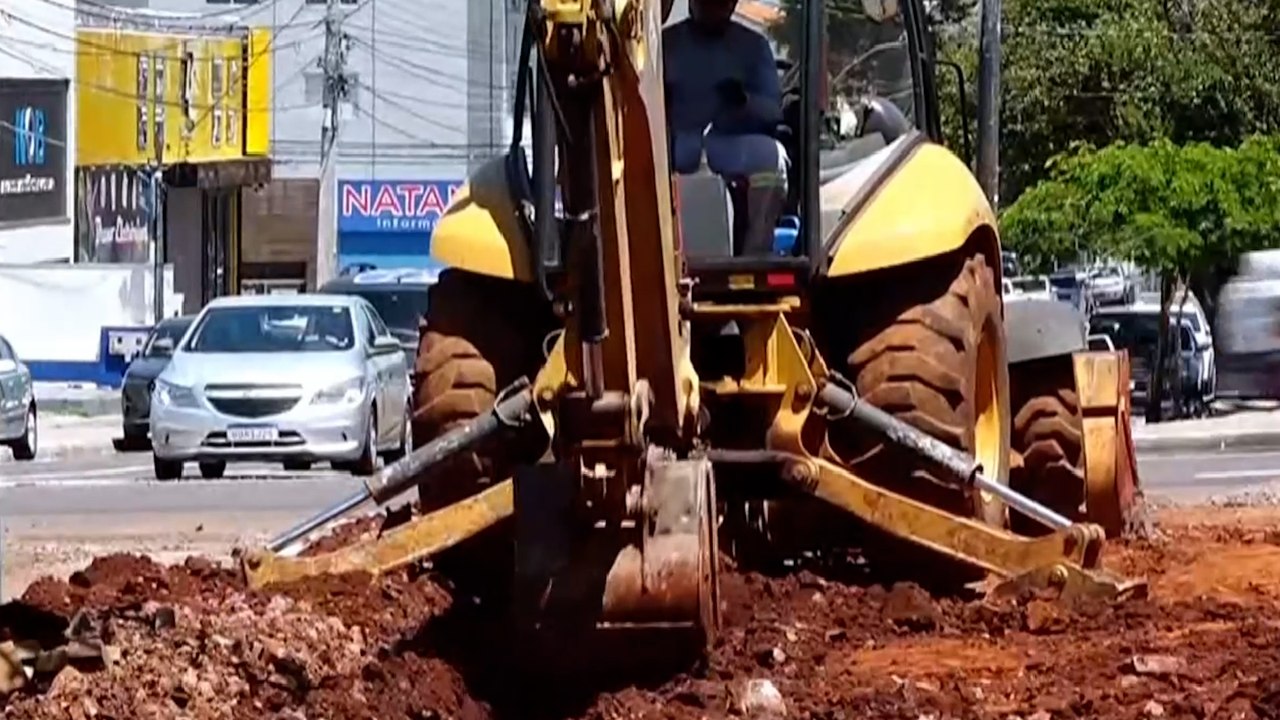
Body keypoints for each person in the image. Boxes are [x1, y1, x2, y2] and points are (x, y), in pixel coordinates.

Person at [664, 0, 788, 255]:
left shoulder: (753, 46)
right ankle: (663, 251)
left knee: (771, 158)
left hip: (729, 143)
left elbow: (772, 111)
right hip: (677, 146)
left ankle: (754, 255)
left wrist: (744, 102)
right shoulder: (666, 45)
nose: (717, 7)